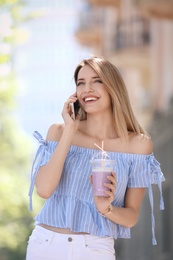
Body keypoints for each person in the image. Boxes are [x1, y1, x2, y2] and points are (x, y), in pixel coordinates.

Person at [26, 56, 165, 260]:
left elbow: (131, 216)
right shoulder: (59, 132)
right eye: (81, 83)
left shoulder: (138, 146)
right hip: (46, 244)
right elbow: (44, 190)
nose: (87, 89)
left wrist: (106, 208)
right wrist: (70, 131)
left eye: (96, 81)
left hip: (96, 249)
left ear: (113, 87)